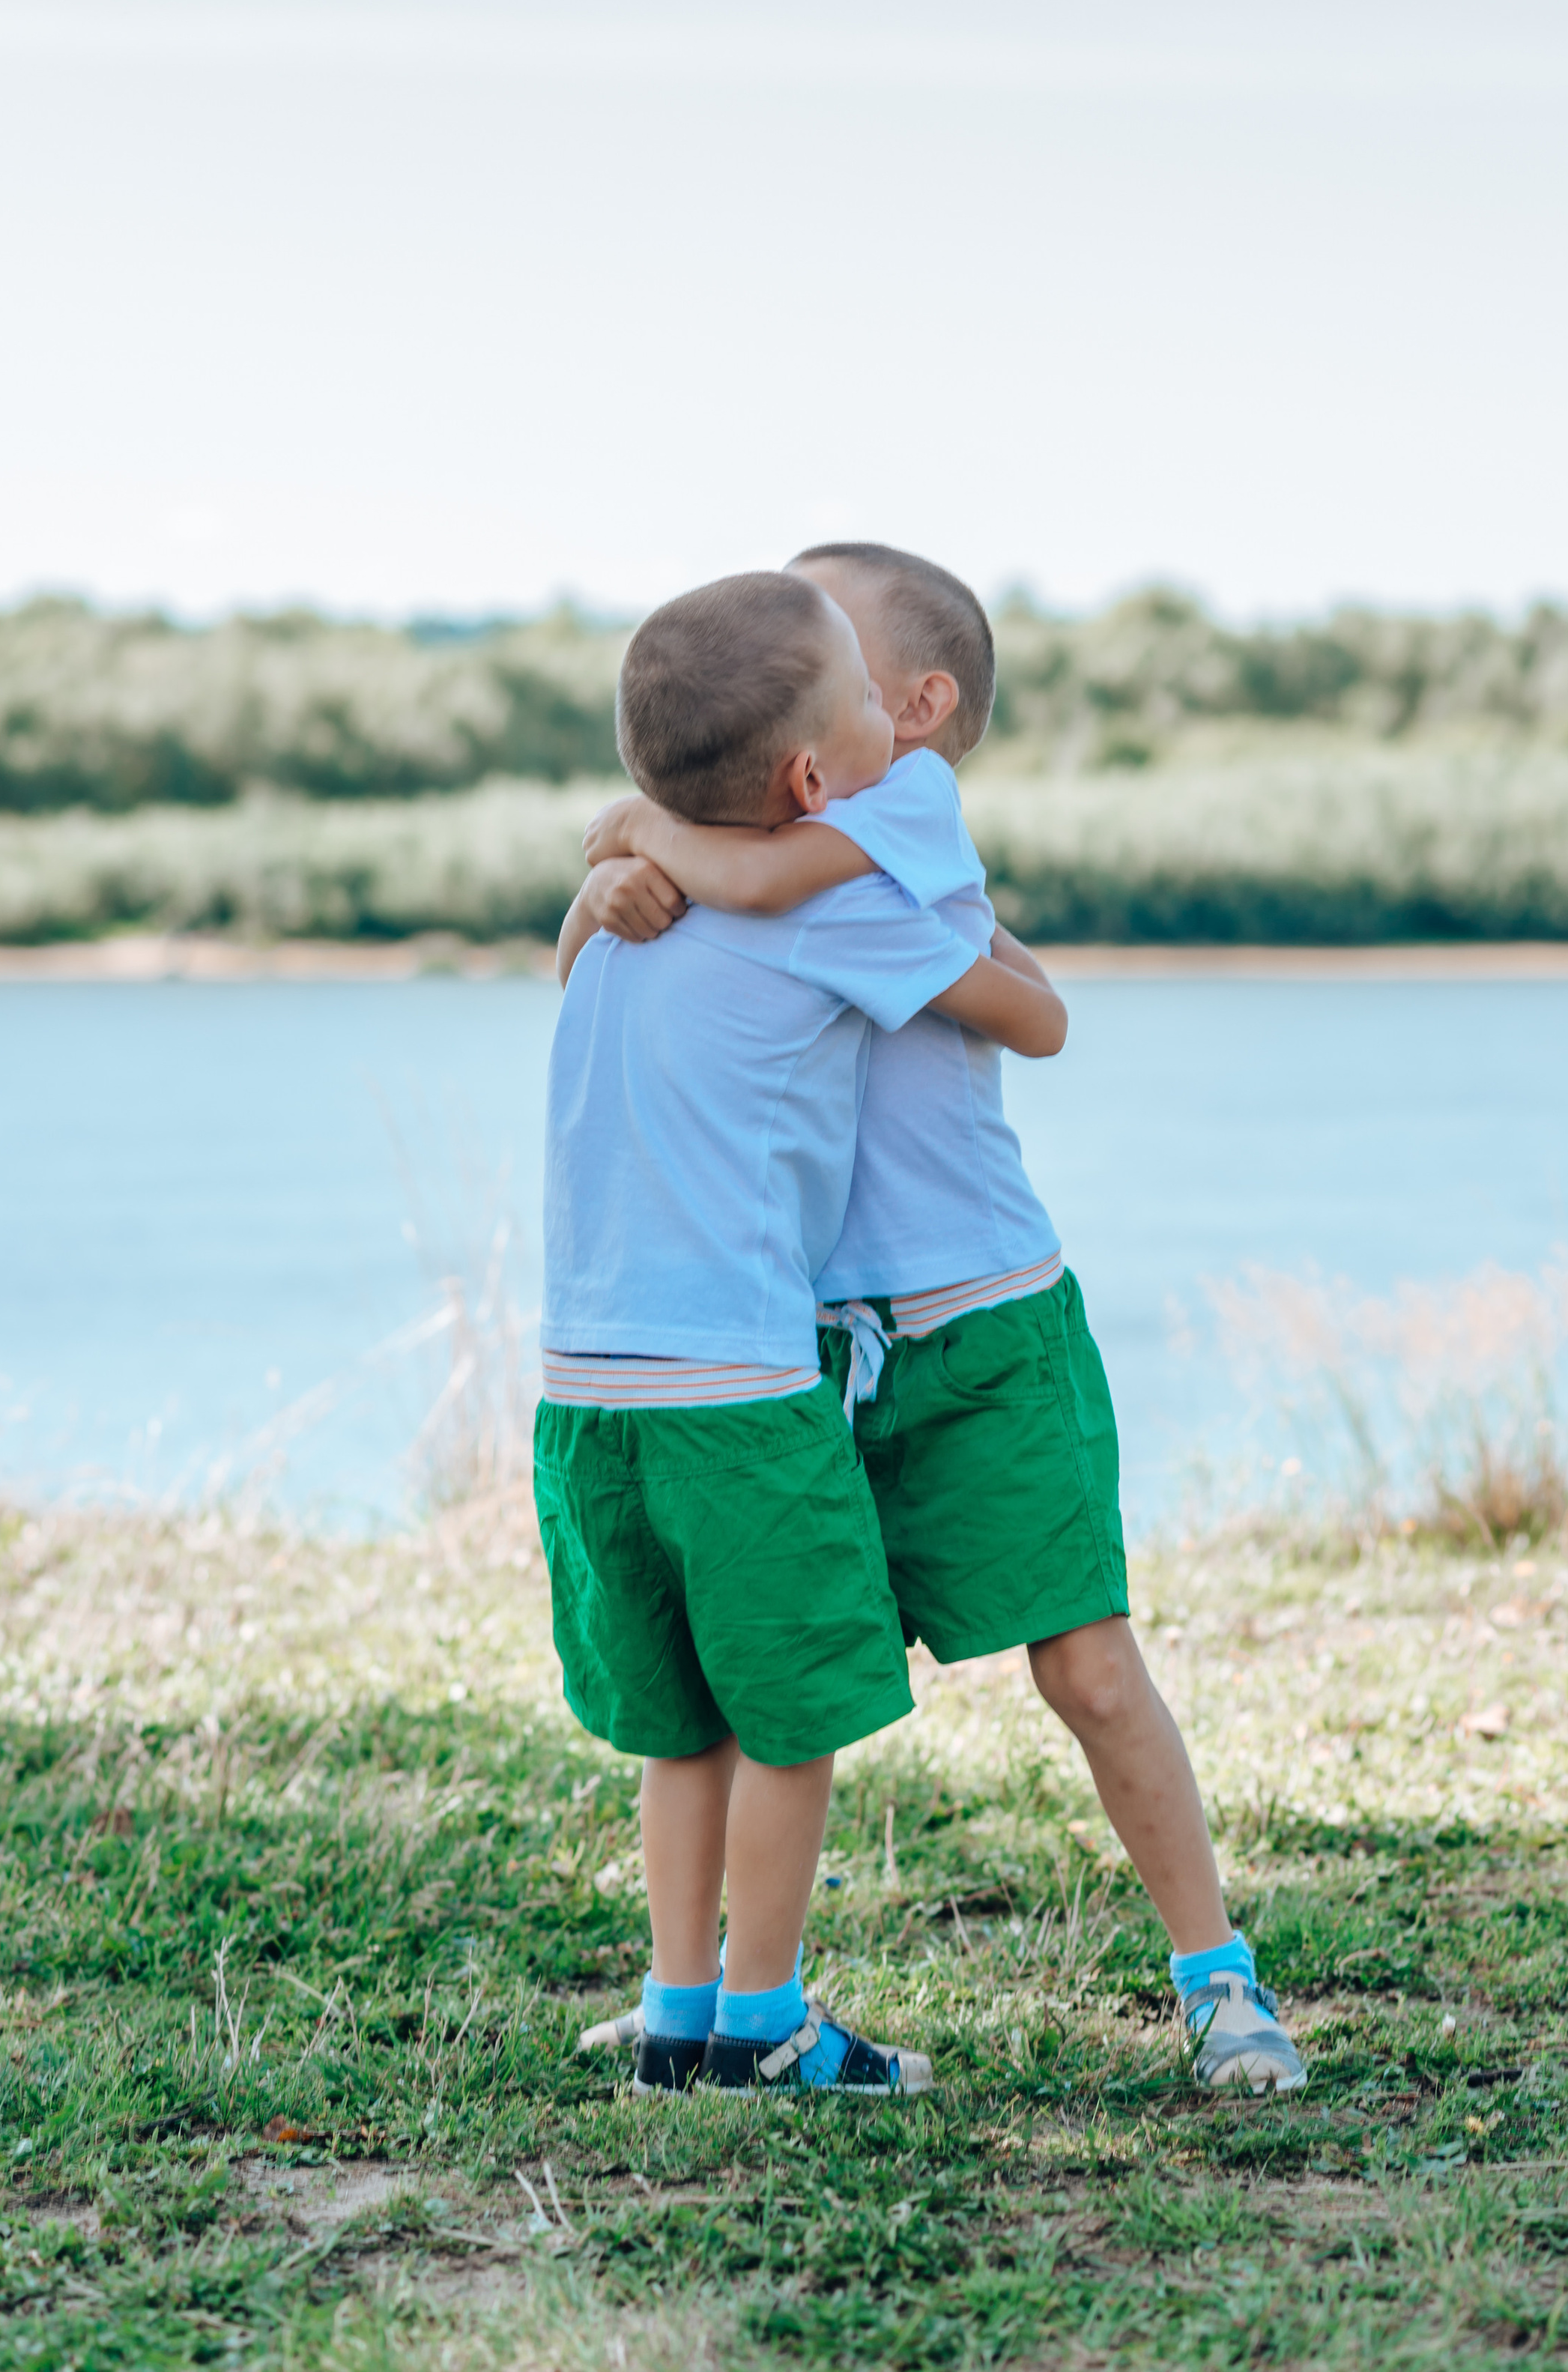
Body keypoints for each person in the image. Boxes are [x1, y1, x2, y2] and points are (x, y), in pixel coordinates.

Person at [569, 543, 1307, 2096]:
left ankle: (1215, 1976)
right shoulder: (767, 840)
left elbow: (1011, 1003)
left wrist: (640, 832)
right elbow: (672, 935)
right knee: (741, 1686)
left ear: (910, 708)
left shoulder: (871, 830)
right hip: (805, 1348)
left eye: (835, 645)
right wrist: (615, 867)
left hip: (975, 1322)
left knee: (1086, 1668)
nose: (805, 659)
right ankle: (696, 2000)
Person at [541, 567, 1065, 2099]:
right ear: (810, 777)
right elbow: (1026, 1018)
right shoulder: (825, 904)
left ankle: (675, 2005)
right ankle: (764, 2023)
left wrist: (621, 853)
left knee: (681, 1716)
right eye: (855, 693)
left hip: (583, 1390)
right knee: (789, 1713)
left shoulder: (612, 925)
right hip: (740, 1385)